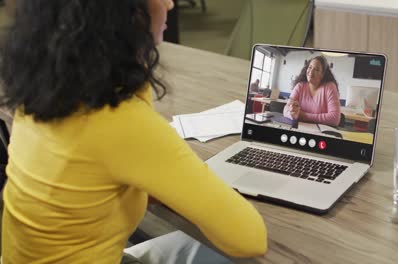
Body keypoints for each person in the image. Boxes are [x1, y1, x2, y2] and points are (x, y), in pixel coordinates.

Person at [0, 0, 267, 263]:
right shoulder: (119, 122)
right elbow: (250, 239)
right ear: (123, 12)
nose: (170, 5)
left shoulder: (41, 95)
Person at [283, 56, 341, 127]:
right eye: (310, 67)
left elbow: (334, 119)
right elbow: (286, 109)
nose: (311, 71)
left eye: (316, 69)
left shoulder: (330, 87)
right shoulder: (300, 86)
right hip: (300, 129)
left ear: (322, 75)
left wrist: (302, 115)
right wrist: (292, 114)